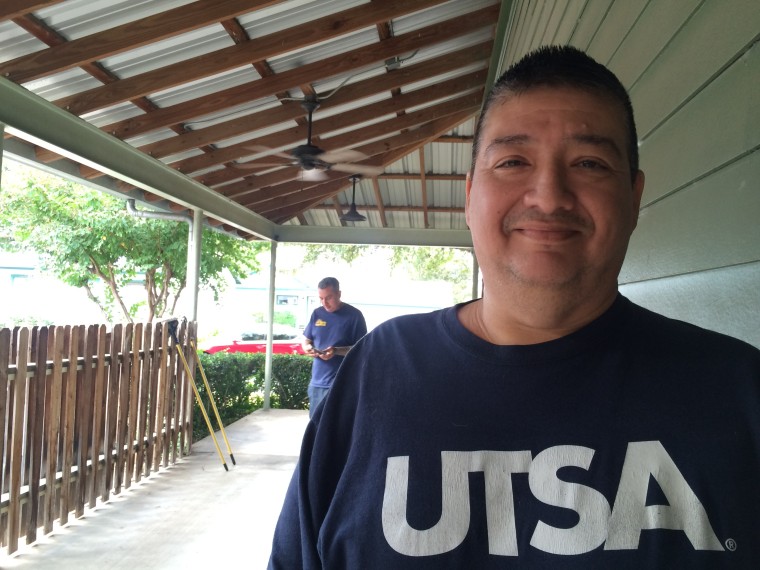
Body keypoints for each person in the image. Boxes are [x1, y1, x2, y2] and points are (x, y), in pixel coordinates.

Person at [269, 46, 760, 569]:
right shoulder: (378, 370)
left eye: (590, 163)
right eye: (513, 162)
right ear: (470, 194)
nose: (549, 197)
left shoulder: (736, 387)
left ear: (634, 197)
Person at [301, 277, 367, 417]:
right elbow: (306, 340)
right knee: (316, 425)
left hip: (342, 383)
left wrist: (336, 351)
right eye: (321, 298)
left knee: (338, 427)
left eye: (329, 297)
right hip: (317, 383)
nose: (324, 303)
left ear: (339, 294)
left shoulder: (354, 316)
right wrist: (307, 348)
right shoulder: (317, 314)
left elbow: (362, 349)